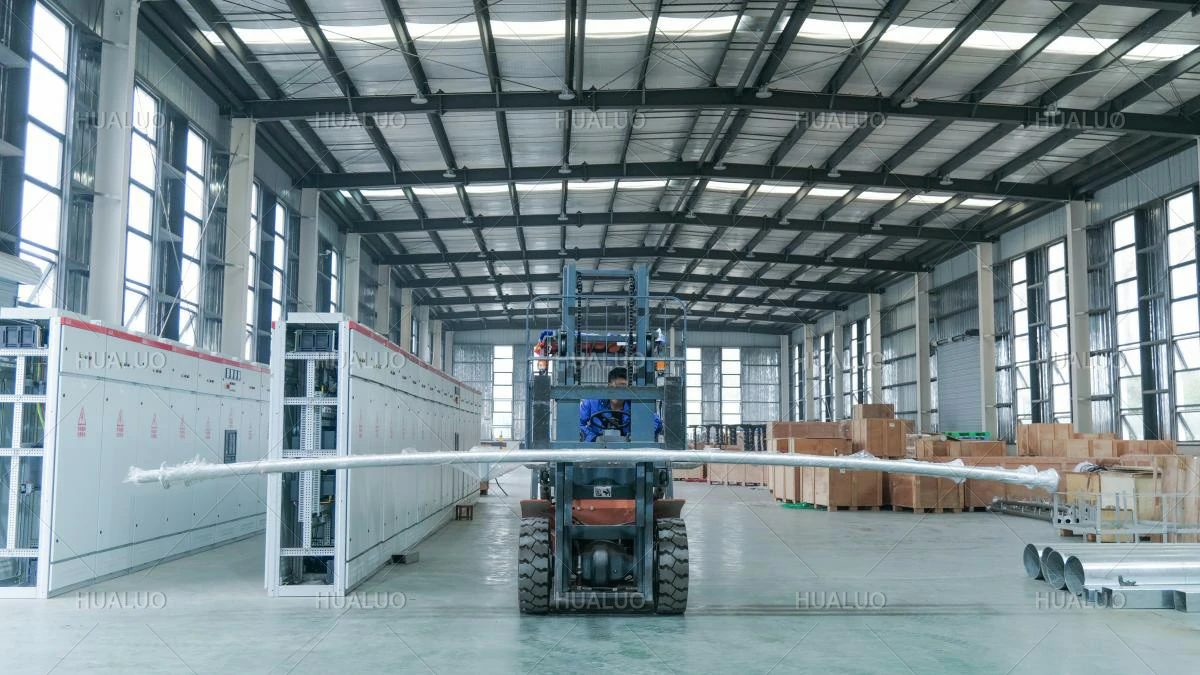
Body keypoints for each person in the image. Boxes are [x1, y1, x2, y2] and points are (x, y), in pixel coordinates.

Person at [579, 366, 662, 441]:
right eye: (618, 386)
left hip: (628, 451)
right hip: (597, 450)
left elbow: (656, 422)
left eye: (624, 387)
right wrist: (593, 438)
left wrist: (638, 436)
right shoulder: (591, 402)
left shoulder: (635, 404)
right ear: (609, 385)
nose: (620, 390)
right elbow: (577, 424)